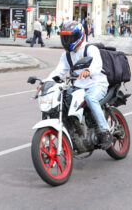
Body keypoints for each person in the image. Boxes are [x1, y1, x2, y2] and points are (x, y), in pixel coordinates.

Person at [43, 21, 112, 149]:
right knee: (62, 99)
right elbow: (59, 71)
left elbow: (97, 65)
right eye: (65, 37)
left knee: (90, 98)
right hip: (78, 87)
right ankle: (74, 129)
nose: (67, 40)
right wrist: (46, 82)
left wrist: (88, 71)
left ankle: (105, 131)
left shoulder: (90, 49)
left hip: (96, 84)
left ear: (79, 36)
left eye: (70, 37)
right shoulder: (66, 55)